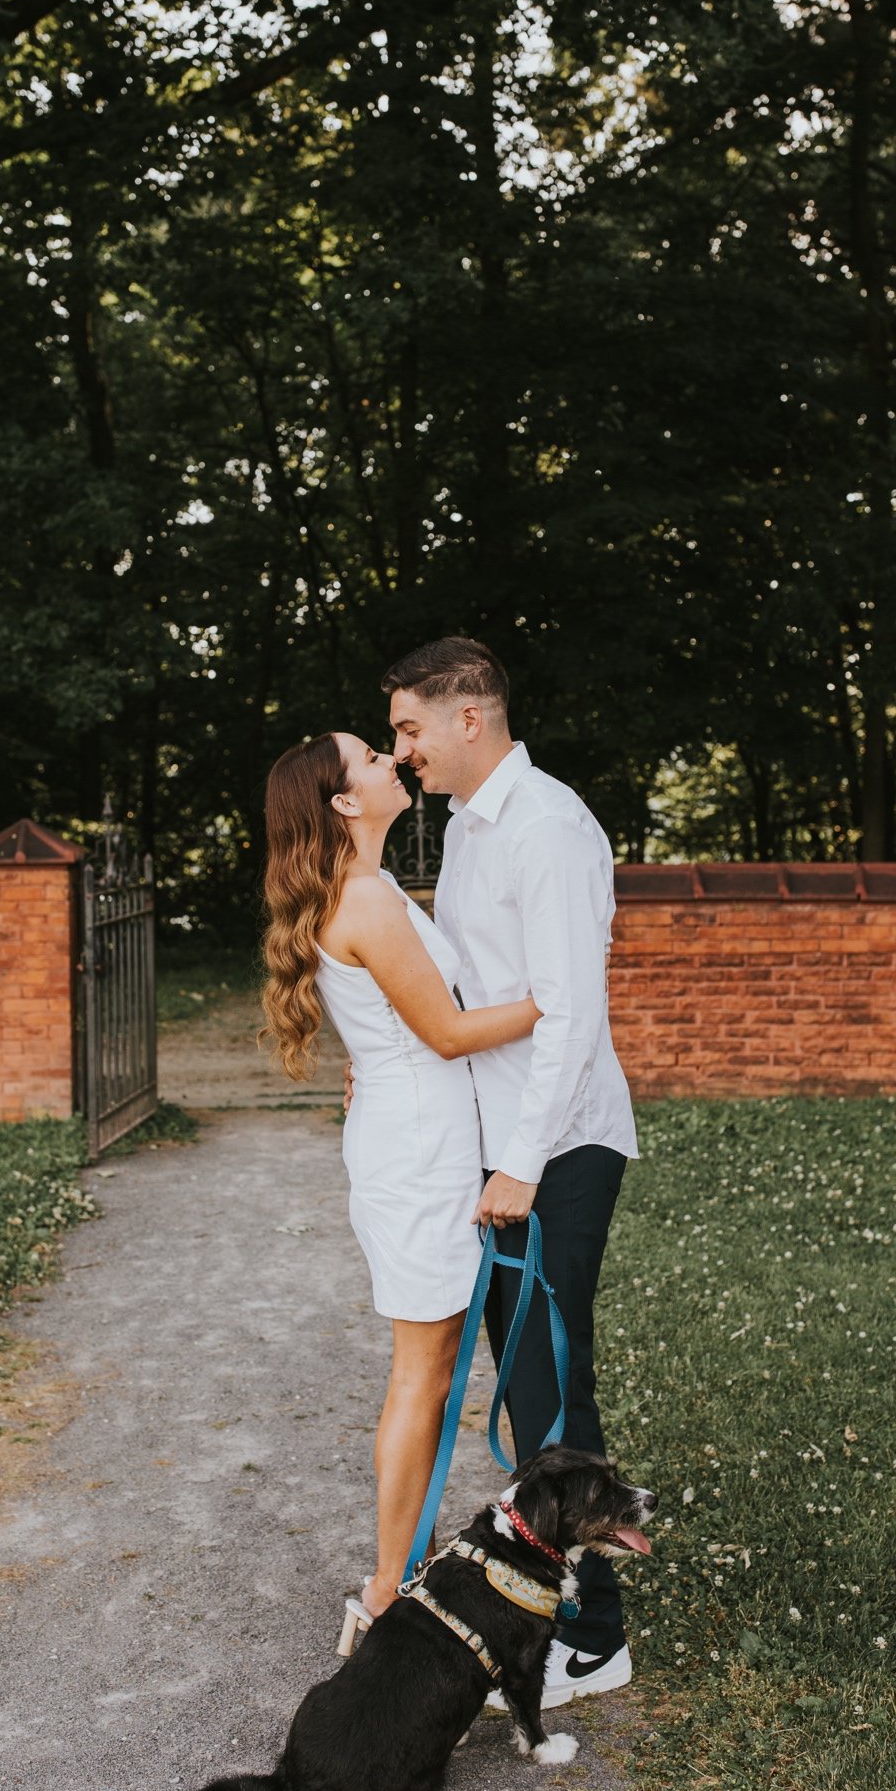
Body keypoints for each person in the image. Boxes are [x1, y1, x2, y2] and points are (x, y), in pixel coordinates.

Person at [383, 636, 639, 1707]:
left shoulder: (549, 828)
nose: (403, 752)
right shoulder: (473, 829)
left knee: (547, 1382)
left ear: (468, 717)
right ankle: (554, 1603)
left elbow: (572, 1014)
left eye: (409, 729)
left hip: (560, 1149)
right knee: (527, 1380)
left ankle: (594, 1635)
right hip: (500, 1150)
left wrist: (524, 1166)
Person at [259, 730, 541, 1647]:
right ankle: (386, 1595)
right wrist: (559, 999)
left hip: (409, 1136)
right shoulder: (369, 901)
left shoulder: (366, 893)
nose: (391, 761)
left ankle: (396, 1578)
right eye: (371, 760)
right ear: (345, 802)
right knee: (423, 1375)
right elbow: (452, 1034)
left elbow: (396, 1027)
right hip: (418, 1155)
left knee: (431, 1361)